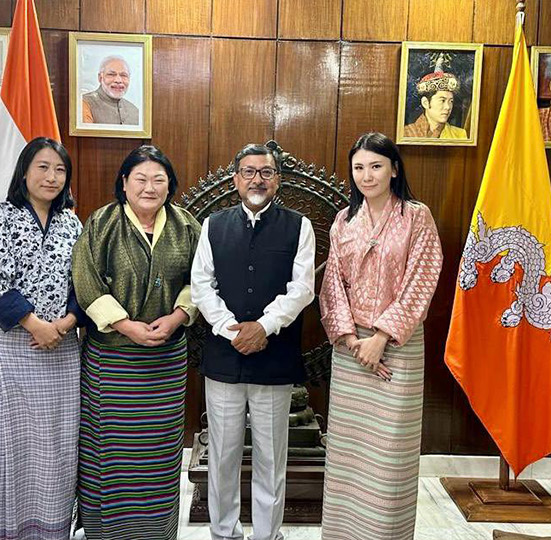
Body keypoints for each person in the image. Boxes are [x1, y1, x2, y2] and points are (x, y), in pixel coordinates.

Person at [71, 145, 200, 540]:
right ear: (124, 183)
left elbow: (203, 280)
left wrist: (178, 316)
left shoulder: (186, 225)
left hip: (165, 361)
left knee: (157, 456)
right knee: (108, 451)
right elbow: (85, 280)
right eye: (140, 178)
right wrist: (126, 325)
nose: (150, 186)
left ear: (170, 186)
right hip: (112, 360)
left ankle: (156, 531)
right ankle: (106, 531)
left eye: (159, 179)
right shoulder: (102, 223)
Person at [319, 132, 443, 540]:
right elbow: (332, 285)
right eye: (358, 167)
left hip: (398, 349)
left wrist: (383, 336)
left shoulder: (416, 216)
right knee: (349, 452)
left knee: (389, 454)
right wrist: (351, 338)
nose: (366, 175)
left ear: (393, 169)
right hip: (351, 350)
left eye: (375, 166)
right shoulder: (343, 220)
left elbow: (422, 279)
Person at [190, 144, 316, 540]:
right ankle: (224, 532)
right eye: (248, 172)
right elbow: (201, 286)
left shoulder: (300, 226)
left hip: (274, 360)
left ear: (277, 179)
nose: (256, 179)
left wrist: (263, 327)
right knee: (223, 457)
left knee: (270, 457)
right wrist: (232, 329)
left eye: (265, 172)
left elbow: (302, 289)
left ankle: (267, 534)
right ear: (235, 180)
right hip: (224, 360)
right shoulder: (213, 225)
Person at [0, 137, 81, 540]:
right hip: (12, 350)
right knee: (6, 449)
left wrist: (64, 324)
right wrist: (36, 325)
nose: (52, 177)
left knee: (55, 449)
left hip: (62, 352)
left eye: (60, 170)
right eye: (43, 167)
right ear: (24, 172)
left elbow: (83, 282)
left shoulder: (72, 222)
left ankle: (50, 531)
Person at [403, 66, 468, 139]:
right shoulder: (406, 133)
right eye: (442, 100)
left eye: (451, 101)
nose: (448, 107)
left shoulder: (459, 135)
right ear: (425, 103)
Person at [80, 55, 139, 125]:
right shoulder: (84, 104)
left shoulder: (134, 110)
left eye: (123, 75)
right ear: (100, 78)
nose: (118, 80)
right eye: (111, 74)